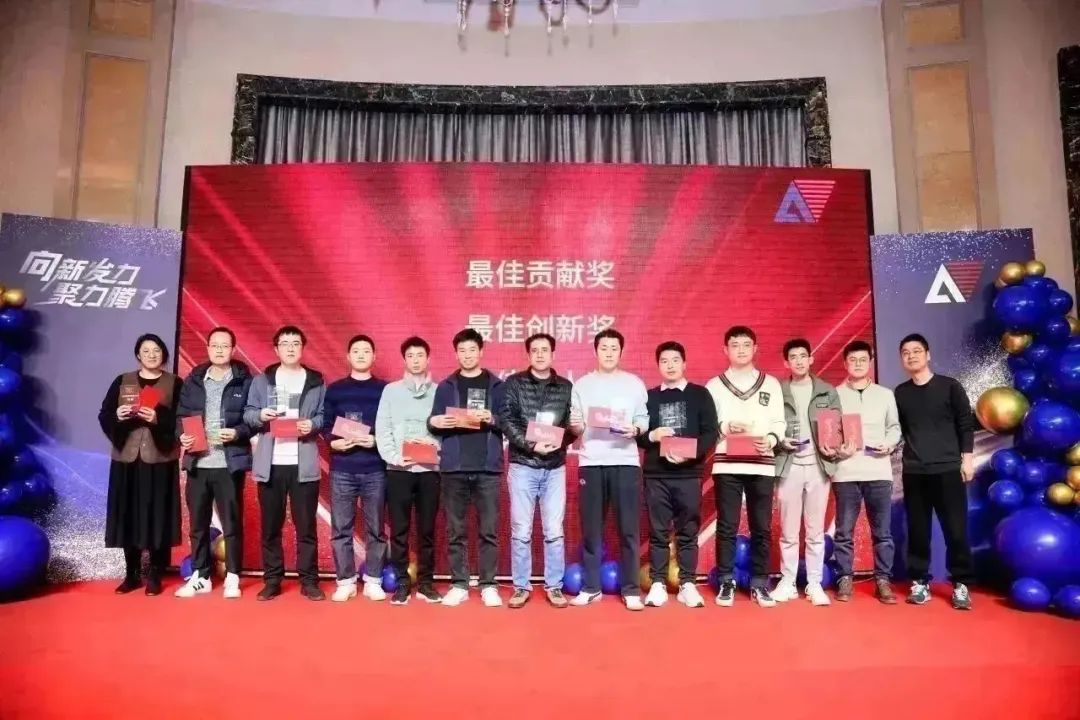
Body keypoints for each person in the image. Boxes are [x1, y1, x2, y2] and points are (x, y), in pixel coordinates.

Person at [243, 325, 326, 601]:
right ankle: (272, 580)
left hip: (303, 465)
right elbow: (248, 414)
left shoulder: (316, 381)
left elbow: (324, 416)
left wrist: (312, 424)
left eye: (295, 343)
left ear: (302, 348)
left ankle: (309, 581)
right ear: (276, 349)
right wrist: (261, 415)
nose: (290, 348)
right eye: (285, 343)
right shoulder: (262, 381)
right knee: (271, 528)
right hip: (271, 464)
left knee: (306, 528)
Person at [568, 328, 649, 611]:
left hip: (625, 461)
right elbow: (576, 424)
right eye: (604, 348)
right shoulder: (582, 385)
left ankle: (631, 590)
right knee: (591, 529)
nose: (609, 353)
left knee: (629, 529)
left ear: (621, 351)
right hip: (591, 461)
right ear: (596, 351)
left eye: (614, 348)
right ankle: (591, 588)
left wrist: (635, 428)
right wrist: (576, 426)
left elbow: (643, 419)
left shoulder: (634, 384)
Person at [706, 325, 786, 607]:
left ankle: (760, 583)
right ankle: (726, 581)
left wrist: (772, 439)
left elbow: (779, 421)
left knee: (761, 527)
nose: (740, 349)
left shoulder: (771, 384)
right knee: (727, 526)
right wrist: (725, 426)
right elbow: (708, 426)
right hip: (726, 464)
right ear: (725, 350)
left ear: (755, 348)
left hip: (761, 463)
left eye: (746, 344)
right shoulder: (714, 386)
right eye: (735, 345)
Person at [98, 333, 183, 596]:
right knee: (128, 515)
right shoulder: (123, 381)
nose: (151, 355)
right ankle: (132, 574)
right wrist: (118, 415)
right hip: (127, 460)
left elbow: (182, 420)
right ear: (138, 355)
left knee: (157, 517)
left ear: (164, 354)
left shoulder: (175, 383)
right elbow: (104, 414)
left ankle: (155, 573)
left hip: (159, 460)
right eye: (146, 351)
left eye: (156, 350)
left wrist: (157, 417)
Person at [894, 333, 975, 610]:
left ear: (928, 355)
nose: (911, 356)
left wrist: (967, 459)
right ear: (902, 359)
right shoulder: (900, 393)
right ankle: (919, 582)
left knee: (956, 530)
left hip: (948, 469)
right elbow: (898, 430)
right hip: (914, 471)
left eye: (917, 351)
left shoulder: (950, 387)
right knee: (918, 531)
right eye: (906, 352)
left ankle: (961, 584)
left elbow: (965, 424)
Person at [638, 341, 718, 609]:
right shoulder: (648, 397)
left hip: (688, 474)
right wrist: (653, 435)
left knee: (688, 531)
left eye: (675, 360)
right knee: (658, 532)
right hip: (656, 475)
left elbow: (710, 432)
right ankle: (658, 583)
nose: (670, 365)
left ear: (684, 363)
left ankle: (687, 584)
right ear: (658, 366)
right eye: (664, 361)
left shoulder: (700, 394)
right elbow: (638, 435)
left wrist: (690, 453)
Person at [429, 328, 505, 608]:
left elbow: (509, 422)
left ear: (481, 351)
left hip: (488, 468)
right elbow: (433, 422)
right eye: (462, 350)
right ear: (456, 354)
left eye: (472, 349)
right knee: (456, 531)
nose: (467, 355)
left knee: (489, 531)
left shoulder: (497, 386)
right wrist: (435, 422)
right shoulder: (445, 386)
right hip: (454, 468)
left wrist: (492, 418)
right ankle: (459, 584)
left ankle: (488, 585)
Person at [175, 326, 253, 599]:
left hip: (228, 464)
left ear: (233, 350)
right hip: (197, 463)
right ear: (208, 348)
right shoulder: (194, 380)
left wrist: (238, 433)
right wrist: (182, 435)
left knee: (232, 523)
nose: (220, 350)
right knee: (198, 525)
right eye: (215, 345)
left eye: (225, 345)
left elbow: (253, 420)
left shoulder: (245, 382)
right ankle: (201, 576)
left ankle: (233, 576)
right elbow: (181, 416)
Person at [499, 333, 573, 609]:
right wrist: (532, 445)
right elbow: (506, 420)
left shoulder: (566, 387)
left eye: (545, 350)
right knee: (521, 530)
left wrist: (557, 443)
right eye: (535, 350)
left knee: (554, 530)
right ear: (528, 354)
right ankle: (521, 586)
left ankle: (554, 586)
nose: (540, 354)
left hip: (555, 468)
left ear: (553, 354)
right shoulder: (514, 383)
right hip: (523, 466)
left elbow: (570, 424)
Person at [772, 338, 841, 607]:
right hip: (788, 465)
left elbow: (836, 426)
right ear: (786, 362)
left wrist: (833, 445)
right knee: (788, 531)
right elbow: (770, 424)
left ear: (811, 359)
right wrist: (780, 441)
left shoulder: (826, 391)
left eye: (803, 356)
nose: (799, 361)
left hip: (818, 467)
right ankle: (787, 582)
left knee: (814, 531)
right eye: (793, 357)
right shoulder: (778, 391)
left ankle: (814, 583)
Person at [375, 336, 442, 606]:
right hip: (399, 470)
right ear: (404, 359)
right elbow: (383, 428)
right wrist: (394, 457)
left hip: (429, 470)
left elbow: (446, 429)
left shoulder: (440, 391)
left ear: (428, 359)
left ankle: (426, 583)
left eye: (420, 355)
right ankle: (402, 583)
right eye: (410, 356)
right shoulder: (391, 391)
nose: (415, 360)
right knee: (399, 530)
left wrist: (435, 449)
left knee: (427, 530)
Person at [833, 340, 901, 604]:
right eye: (853, 360)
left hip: (878, 471)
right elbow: (829, 432)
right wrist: (837, 449)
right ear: (845, 363)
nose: (858, 364)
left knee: (882, 532)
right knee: (844, 532)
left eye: (863, 359)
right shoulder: (834, 395)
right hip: (846, 472)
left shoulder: (885, 394)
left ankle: (883, 580)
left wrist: (890, 444)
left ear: (870, 362)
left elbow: (894, 427)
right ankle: (844, 577)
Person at [323, 334, 388, 603]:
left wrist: (377, 440)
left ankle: (373, 580)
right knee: (341, 528)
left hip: (375, 468)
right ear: (348, 357)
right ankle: (345, 581)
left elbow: (391, 425)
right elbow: (326, 425)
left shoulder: (385, 390)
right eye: (356, 351)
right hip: (343, 468)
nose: (361, 355)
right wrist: (333, 443)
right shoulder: (335, 389)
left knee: (376, 529)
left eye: (366, 351)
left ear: (374, 356)